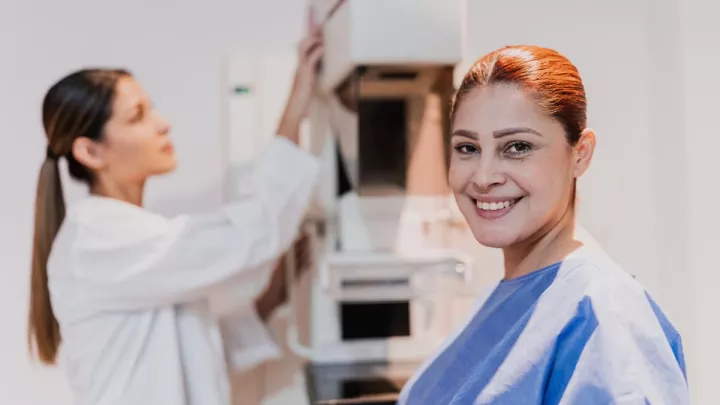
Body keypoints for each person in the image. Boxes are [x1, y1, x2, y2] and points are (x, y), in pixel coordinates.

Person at [26, 28, 324, 405]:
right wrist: (298, 102)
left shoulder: (127, 241)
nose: (163, 123)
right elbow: (247, 235)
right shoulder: (99, 240)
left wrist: (268, 300)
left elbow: (189, 355)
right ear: (91, 151)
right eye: (138, 116)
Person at [397, 45, 690, 404]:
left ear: (580, 154)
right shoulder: (504, 300)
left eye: (517, 147)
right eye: (467, 148)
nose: (484, 176)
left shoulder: (605, 317)